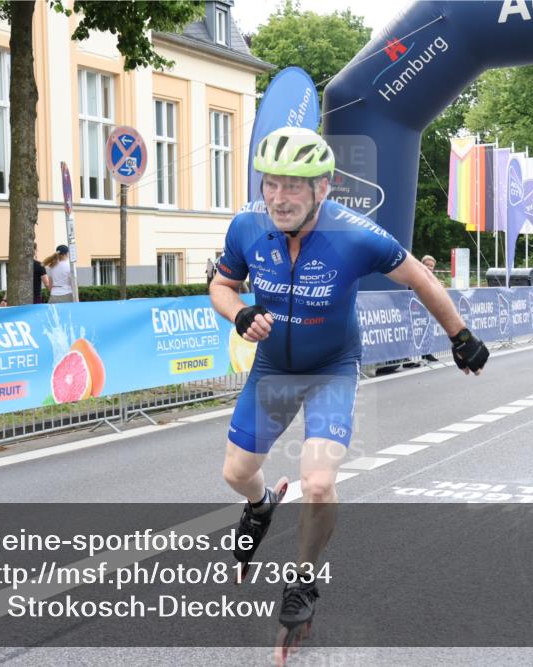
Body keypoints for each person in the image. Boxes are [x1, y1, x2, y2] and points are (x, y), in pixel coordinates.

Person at [209, 127, 488, 645]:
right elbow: (221, 285)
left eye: (294, 186)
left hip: (331, 369)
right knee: (235, 473)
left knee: (317, 482)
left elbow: (421, 279)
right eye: (271, 183)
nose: (279, 197)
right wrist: (240, 311)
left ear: (325, 186)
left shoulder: (356, 234)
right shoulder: (247, 227)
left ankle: (303, 582)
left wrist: (460, 335)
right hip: (272, 369)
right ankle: (261, 505)